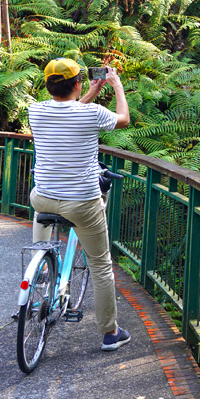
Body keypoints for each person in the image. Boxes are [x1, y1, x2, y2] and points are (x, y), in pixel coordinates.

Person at [28, 58, 132, 351]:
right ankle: (110, 333)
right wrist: (116, 86)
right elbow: (123, 119)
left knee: (41, 204)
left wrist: (90, 93)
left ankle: (42, 260)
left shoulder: (35, 110)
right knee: (100, 265)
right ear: (77, 83)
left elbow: (67, 113)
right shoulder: (92, 114)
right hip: (81, 203)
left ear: (48, 85)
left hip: (44, 196)